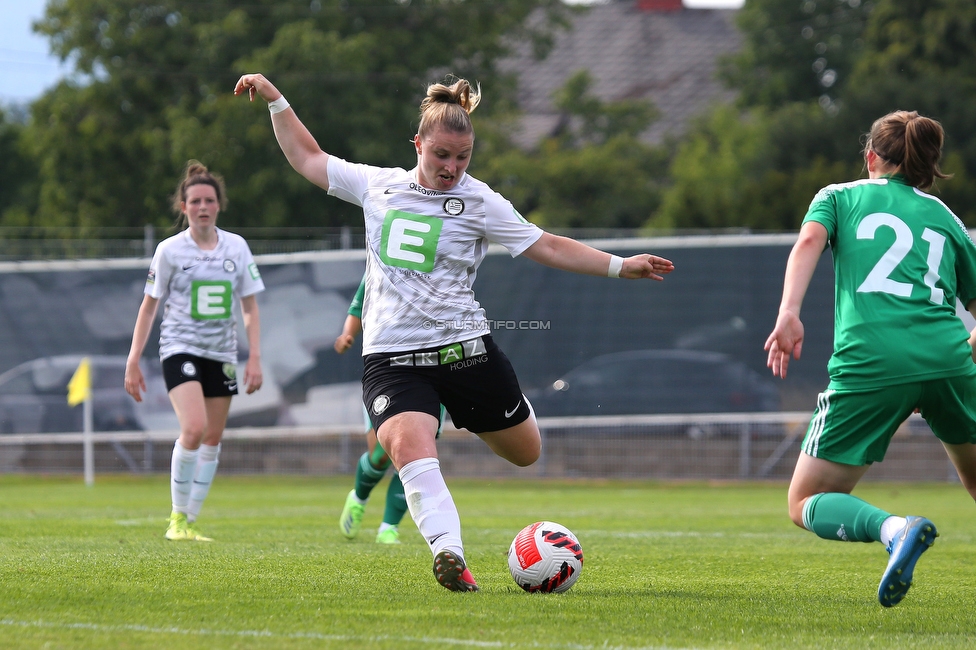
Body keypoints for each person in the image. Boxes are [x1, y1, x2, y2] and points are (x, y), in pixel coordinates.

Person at [234, 72, 674, 591]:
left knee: (526, 451)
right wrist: (277, 100)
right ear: (418, 144)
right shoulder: (378, 185)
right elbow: (309, 158)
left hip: (466, 353)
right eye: (441, 154)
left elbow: (547, 245)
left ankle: (475, 423)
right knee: (410, 449)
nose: (451, 167)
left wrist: (621, 266)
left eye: (462, 157)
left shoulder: (480, 201)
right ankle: (450, 556)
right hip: (393, 361)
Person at [765, 110, 976, 607]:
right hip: (948, 360)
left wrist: (789, 312)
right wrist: (959, 358)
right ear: (927, 167)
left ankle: (895, 529)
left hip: (872, 364)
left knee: (803, 502)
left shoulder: (838, 196)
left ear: (870, 157)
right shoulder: (945, 216)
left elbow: (809, 242)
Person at [125, 161, 265, 542]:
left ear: (219, 205)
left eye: (209, 200)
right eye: (195, 201)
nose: (202, 207)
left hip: (221, 355)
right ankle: (176, 520)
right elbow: (149, 305)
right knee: (194, 427)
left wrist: (254, 356)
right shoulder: (169, 250)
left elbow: (249, 307)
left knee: (213, 437)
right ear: (183, 207)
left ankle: (189, 519)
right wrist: (134, 358)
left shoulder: (237, 247)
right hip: (179, 348)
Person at [335, 274, 447, 545]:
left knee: (412, 454)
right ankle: (359, 498)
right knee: (381, 456)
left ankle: (389, 528)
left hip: (433, 373)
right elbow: (358, 306)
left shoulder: (443, 267)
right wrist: (347, 335)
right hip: (387, 371)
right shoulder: (381, 264)